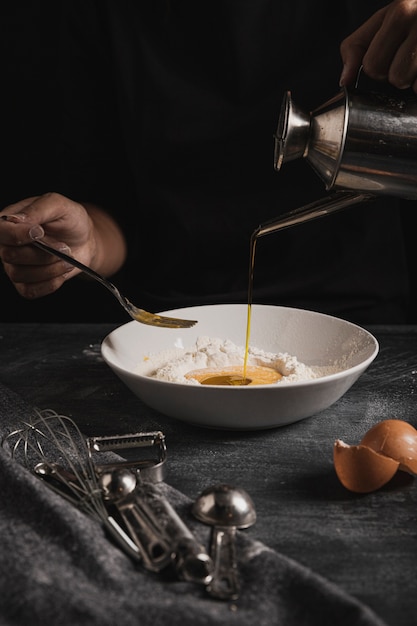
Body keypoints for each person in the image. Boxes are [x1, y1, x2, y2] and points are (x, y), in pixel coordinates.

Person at [1, 1, 417, 324]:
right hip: (174, 323)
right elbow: (117, 212)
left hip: (362, 318)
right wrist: (86, 243)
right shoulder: (100, 14)